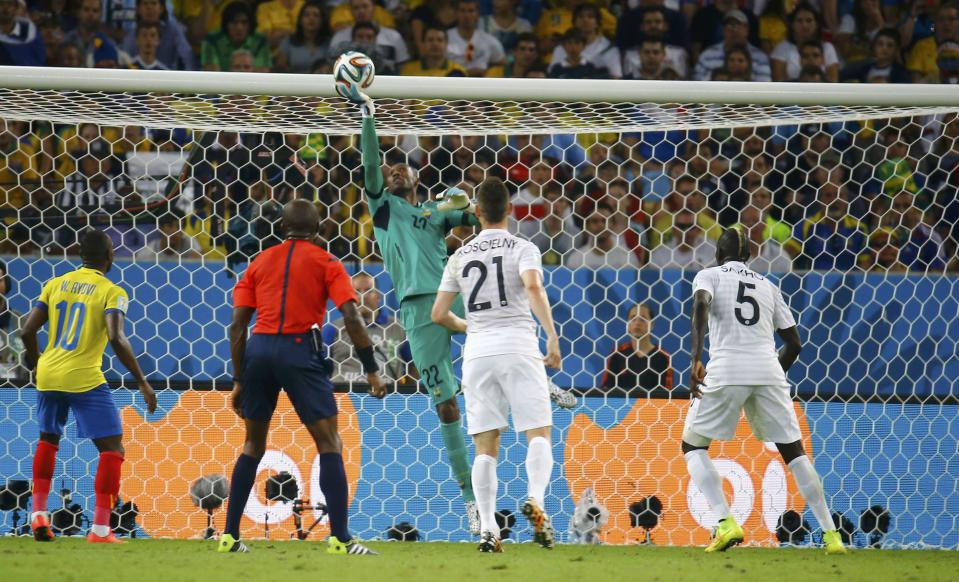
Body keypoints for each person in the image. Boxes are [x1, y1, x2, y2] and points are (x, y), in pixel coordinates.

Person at [219, 199, 384, 555]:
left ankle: (230, 536)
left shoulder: (259, 262)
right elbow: (353, 319)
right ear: (321, 228)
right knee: (329, 443)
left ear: (282, 227)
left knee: (253, 445)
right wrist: (371, 369)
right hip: (298, 350)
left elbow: (236, 327)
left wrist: (238, 379)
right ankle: (340, 539)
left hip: (259, 351)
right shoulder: (327, 262)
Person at [354, 89, 482, 534]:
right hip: (416, 313)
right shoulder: (384, 210)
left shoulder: (433, 212)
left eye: (399, 165)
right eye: (387, 168)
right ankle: (471, 502)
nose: (391, 169)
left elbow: (479, 217)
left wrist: (464, 203)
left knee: (504, 343)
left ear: (416, 174)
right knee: (446, 407)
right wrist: (369, 117)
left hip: (453, 293)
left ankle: (546, 383)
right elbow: (370, 165)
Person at [684, 227, 847, 555]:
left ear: (718, 254)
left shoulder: (709, 275)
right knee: (794, 452)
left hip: (727, 368)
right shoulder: (768, 286)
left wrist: (696, 356)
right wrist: (769, 375)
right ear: (748, 257)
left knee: (693, 444)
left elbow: (701, 304)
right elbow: (794, 343)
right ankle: (832, 536)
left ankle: (725, 522)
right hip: (769, 371)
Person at [431, 177, 562, 553]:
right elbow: (534, 288)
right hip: (519, 345)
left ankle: (489, 529)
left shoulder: (460, 255)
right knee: (538, 433)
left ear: (475, 212)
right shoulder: (524, 247)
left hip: (478, 353)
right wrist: (551, 336)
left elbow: (439, 313)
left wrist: (469, 326)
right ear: (509, 209)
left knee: (486, 447)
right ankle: (535, 499)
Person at [21, 230, 157, 544]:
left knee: (48, 439)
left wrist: (36, 362)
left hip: (49, 374)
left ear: (81, 256)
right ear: (110, 257)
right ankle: (99, 529)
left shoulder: (55, 284)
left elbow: (27, 330)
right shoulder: (112, 291)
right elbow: (115, 337)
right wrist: (142, 382)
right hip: (83, 377)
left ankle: (38, 514)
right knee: (112, 450)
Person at [325, 272, 412, 385]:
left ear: (379, 296)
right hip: (346, 398)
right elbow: (320, 366)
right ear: (349, 296)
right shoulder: (333, 329)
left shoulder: (398, 328)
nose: (362, 296)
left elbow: (413, 367)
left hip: (387, 399)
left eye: (368, 290)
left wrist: (407, 393)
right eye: (356, 292)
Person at [601, 303, 673, 396]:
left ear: (652, 324)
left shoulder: (663, 357)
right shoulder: (617, 354)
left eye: (643, 318)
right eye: (633, 318)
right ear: (628, 324)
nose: (637, 322)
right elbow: (606, 390)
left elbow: (667, 394)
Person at [694, 10, 771, 82]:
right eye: (729, 25)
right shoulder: (707, 55)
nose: (734, 30)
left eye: (738, 25)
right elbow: (696, 86)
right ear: (723, 30)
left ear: (746, 29)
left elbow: (765, 89)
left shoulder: (760, 58)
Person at [447, 0, 505, 76]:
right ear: (456, 14)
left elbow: (502, 63)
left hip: (481, 84)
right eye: (462, 11)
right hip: (452, 82)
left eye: (471, 11)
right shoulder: (445, 38)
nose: (466, 15)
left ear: (478, 14)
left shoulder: (489, 41)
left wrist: (488, 72)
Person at [400, 26, 467, 76]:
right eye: (430, 40)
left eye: (440, 40)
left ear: (446, 44)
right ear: (423, 44)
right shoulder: (409, 71)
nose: (435, 44)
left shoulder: (458, 71)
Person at [0, 0, 45, 66]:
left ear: (16, 8)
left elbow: (40, 62)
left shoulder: (32, 35)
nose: (5, 8)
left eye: (10, 4)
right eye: (1, 4)